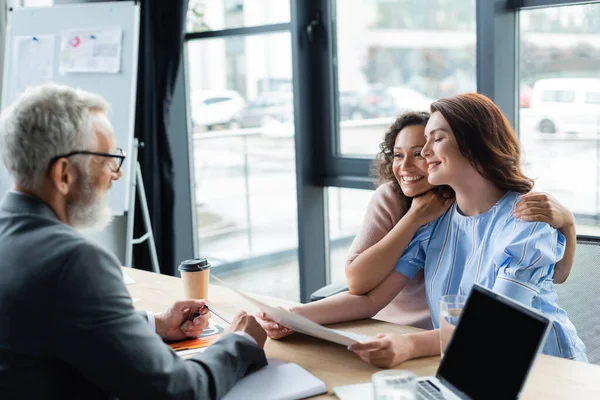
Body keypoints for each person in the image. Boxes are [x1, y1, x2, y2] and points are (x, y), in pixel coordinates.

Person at [258, 94, 587, 366]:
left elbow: (490, 324)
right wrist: (294, 315)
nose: (425, 153)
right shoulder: (435, 217)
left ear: (474, 145)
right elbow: (369, 299)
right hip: (466, 361)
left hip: (542, 366)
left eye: (437, 139)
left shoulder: (525, 219)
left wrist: (409, 346)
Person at [0, 83, 268, 399]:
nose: (117, 174)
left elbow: (51, 325)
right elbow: (177, 392)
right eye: (107, 159)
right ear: (64, 174)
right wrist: (239, 343)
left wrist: (153, 324)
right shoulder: (74, 263)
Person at [345, 112, 577, 329]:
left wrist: (567, 223)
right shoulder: (419, 212)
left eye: (425, 148)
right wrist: (414, 217)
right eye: (398, 154)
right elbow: (365, 295)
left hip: (479, 343)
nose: (426, 153)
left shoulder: (513, 215)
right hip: (420, 336)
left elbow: (502, 315)